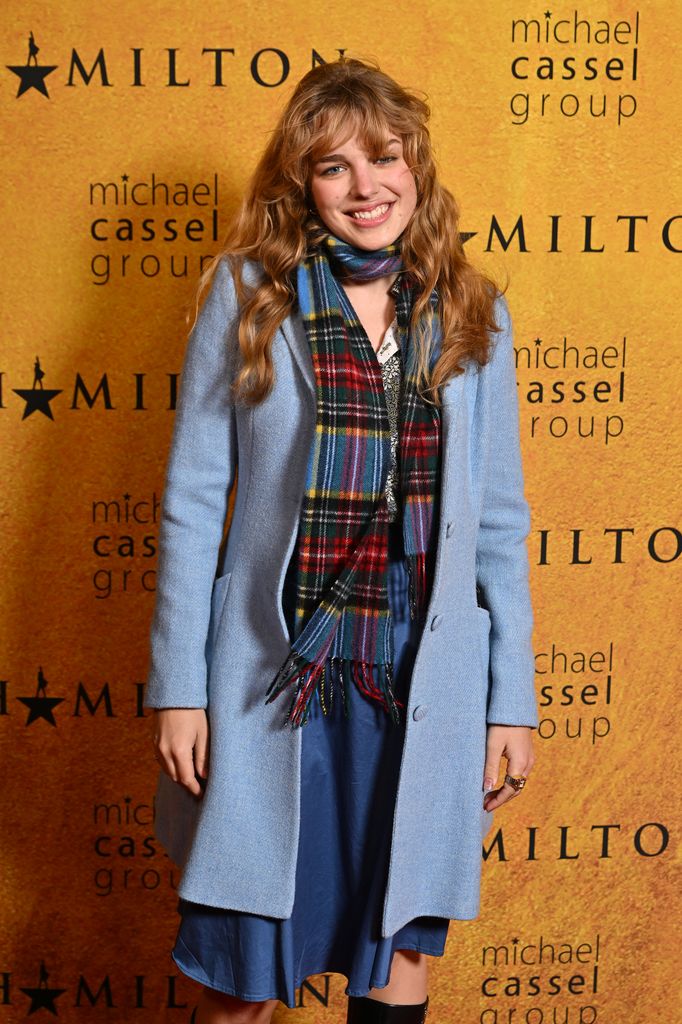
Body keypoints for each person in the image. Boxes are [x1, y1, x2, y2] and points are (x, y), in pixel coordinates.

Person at [143, 55, 539, 1024]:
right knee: (243, 964)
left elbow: (496, 525)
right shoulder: (248, 294)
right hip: (269, 675)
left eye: (385, 157)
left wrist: (510, 701)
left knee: (394, 951)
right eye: (335, 166)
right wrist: (179, 689)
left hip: (417, 678)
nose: (366, 186)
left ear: (417, 166)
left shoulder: (473, 309)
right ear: (300, 182)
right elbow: (194, 502)